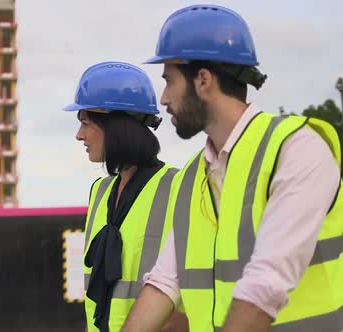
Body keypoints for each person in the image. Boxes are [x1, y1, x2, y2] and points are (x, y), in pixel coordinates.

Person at [122, 4, 343, 332]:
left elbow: (265, 287)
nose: (164, 98)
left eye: (168, 81)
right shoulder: (191, 178)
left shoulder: (297, 149)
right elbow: (165, 282)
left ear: (203, 80)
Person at [64, 61, 187, 332]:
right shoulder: (99, 192)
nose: (79, 135)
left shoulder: (179, 187)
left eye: (85, 123)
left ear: (116, 127)